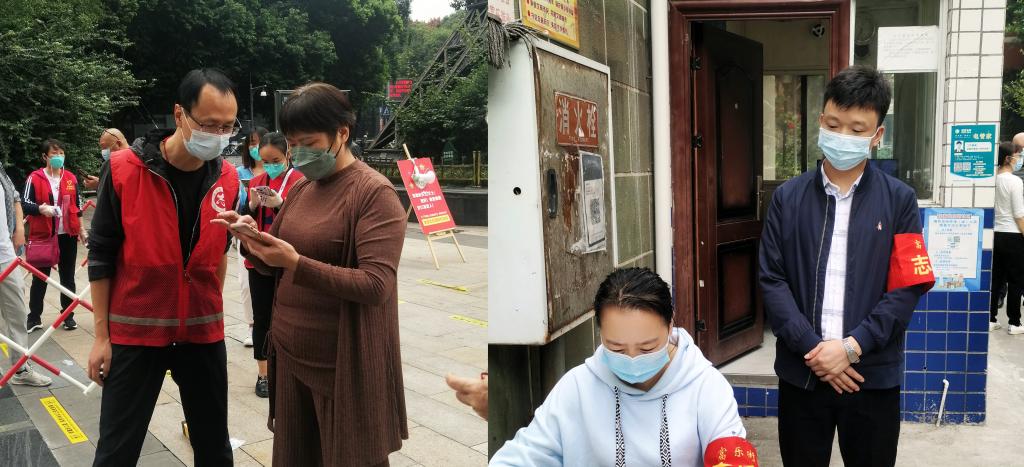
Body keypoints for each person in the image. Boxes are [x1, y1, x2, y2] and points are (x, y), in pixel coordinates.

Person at [215, 82, 408, 466]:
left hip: (340, 364)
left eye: (309, 142)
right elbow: (276, 258)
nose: (300, 152)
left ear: (342, 133)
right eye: (293, 143)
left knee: (347, 456)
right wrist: (251, 239)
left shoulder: (373, 193)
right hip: (291, 355)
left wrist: (298, 264)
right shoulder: (305, 190)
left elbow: (376, 285)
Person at [759, 66, 933, 466]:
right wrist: (815, 350)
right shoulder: (788, 198)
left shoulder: (900, 200)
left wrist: (851, 348)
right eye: (834, 125)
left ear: (877, 135)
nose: (842, 136)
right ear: (821, 121)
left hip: (870, 376)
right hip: (803, 374)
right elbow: (772, 280)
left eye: (857, 129)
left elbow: (907, 287)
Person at [86, 68, 240, 466]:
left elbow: (220, 252)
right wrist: (101, 337)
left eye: (228, 127)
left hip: (202, 333)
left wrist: (211, 308)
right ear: (179, 114)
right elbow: (101, 254)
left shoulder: (227, 177)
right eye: (209, 124)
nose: (219, 135)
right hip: (137, 331)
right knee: (116, 452)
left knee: (215, 449)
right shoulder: (123, 169)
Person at [490, 268, 747, 466]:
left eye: (647, 348)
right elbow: (526, 455)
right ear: (600, 334)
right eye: (617, 348)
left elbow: (730, 452)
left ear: (670, 327)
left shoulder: (705, 387)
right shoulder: (577, 387)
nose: (632, 360)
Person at [240, 131, 303, 397]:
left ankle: (289, 370)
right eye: (265, 161)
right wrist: (251, 206)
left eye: (275, 160)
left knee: (292, 317)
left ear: (288, 154)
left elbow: (303, 221)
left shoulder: (301, 181)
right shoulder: (256, 181)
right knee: (262, 318)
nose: (270, 166)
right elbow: (245, 219)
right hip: (259, 261)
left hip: (288, 259)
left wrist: (280, 205)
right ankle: (263, 374)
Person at [22, 139, 84, 332]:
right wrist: (41, 209)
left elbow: (78, 206)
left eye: (61, 153)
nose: (59, 157)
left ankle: (68, 316)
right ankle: (34, 317)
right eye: (54, 154)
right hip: (44, 235)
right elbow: (25, 203)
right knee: (40, 277)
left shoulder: (70, 178)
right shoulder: (35, 178)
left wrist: (82, 230)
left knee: (68, 277)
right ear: (44, 157)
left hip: (67, 234)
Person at [0, 160, 52, 387]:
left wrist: (20, 228)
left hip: (5, 256)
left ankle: (20, 369)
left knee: (17, 314)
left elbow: (15, 197)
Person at [236, 126, 266, 348]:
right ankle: (252, 324)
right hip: (247, 232)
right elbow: (237, 204)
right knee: (245, 281)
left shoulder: (281, 171)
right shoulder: (240, 173)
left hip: (270, 231)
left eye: (259, 142)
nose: (255, 147)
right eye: (251, 143)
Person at [991, 142, 1024, 335]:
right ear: (1007, 158)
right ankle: (1014, 322)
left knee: (995, 279)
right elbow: (1019, 214)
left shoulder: (993, 180)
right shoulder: (1015, 182)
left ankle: (990, 319)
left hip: (996, 234)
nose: (1019, 159)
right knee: (1016, 281)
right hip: (1013, 236)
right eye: (1018, 156)